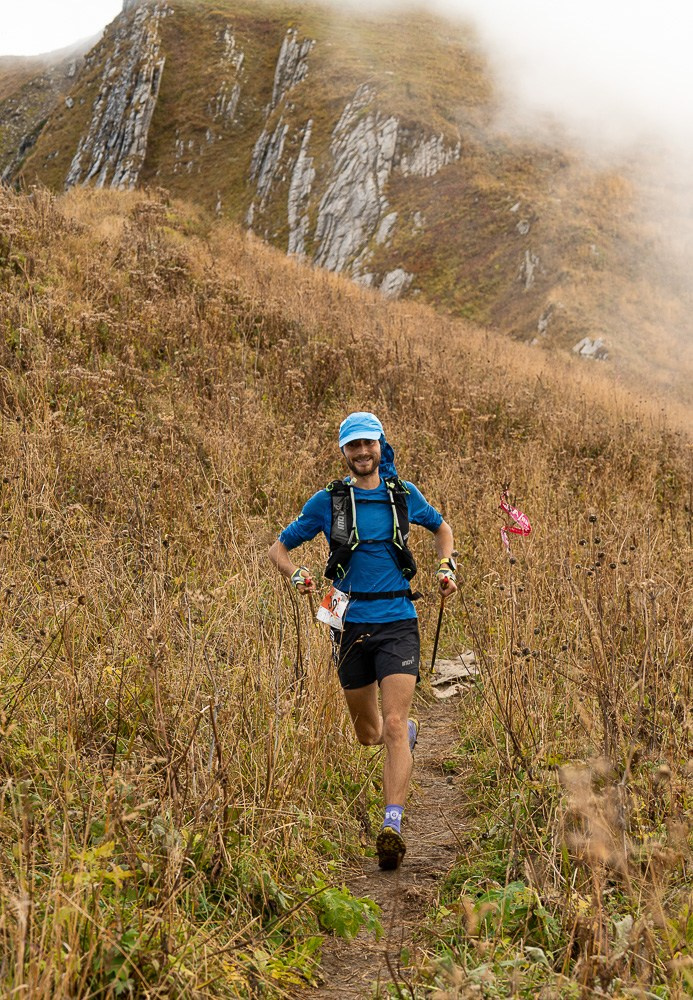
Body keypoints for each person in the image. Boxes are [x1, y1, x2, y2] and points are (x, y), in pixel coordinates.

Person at [268, 411, 457, 869]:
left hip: (398, 619)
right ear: (344, 452)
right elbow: (277, 549)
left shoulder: (403, 495)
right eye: (353, 446)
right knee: (369, 733)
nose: (362, 453)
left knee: (392, 723)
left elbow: (442, 529)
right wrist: (296, 575)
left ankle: (392, 824)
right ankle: (403, 738)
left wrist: (447, 567)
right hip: (349, 624)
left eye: (368, 444)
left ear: (380, 445)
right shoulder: (328, 501)